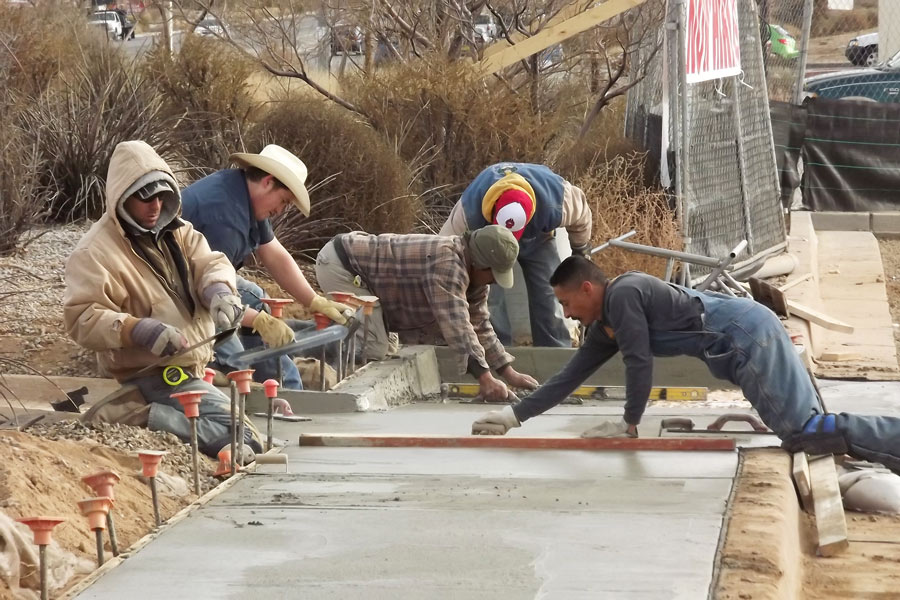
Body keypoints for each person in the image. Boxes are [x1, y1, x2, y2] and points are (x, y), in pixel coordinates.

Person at [472, 257, 900, 474]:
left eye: (566, 303)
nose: (565, 314)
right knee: (811, 429)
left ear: (587, 288)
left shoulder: (623, 295)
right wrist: (514, 415)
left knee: (806, 434)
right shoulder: (606, 322)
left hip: (747, 339)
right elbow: (570, 376)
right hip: (746, 339)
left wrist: (629, 423)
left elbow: (639, 362)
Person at [63, 140, 261, 460]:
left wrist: (220, 293)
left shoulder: (177, 231)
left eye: (161, 195)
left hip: (187, 369)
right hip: (153, 375)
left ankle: (147, 414)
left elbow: (209, 264)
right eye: (145, 197)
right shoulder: (94, 252)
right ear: (122, 197)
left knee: (243, 435)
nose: (155, 205)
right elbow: (82, 318)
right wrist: (140, 330)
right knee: (246, 436)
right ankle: (140, 416)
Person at [181, 144, 351, 390]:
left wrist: (314, 300)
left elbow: (273, 253)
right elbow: (209, 296)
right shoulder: (225, 217)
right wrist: (258, 321)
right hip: (176, 296)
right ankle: (247, 385)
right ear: (268, 182)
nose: (280, 210)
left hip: (207, 286)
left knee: (256, 297)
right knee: (238, 366)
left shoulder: (242, 193)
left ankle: (287, 386)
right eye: (283, 201)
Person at [315, 226, 539, 401]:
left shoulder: (475, 276)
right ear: (481, 264)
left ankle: (332, 334)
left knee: (385, 346)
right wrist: (485, 378)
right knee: (373, 347)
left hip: (363, 273)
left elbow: (479, 324)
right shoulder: (448, 264)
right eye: (493, 275)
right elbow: (457, 325)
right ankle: (311, 348)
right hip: (342, 266)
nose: (493, 282)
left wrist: (508, 372)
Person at [440, 162, 593, 348]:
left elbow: (582, 218)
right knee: (489, 298)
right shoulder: (469, 212)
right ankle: (495, 350)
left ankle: (554, 353)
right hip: (490, 244)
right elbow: (444, 250)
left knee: (549, 293)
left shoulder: (558, 199)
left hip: (538, 239)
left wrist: (580, 252)